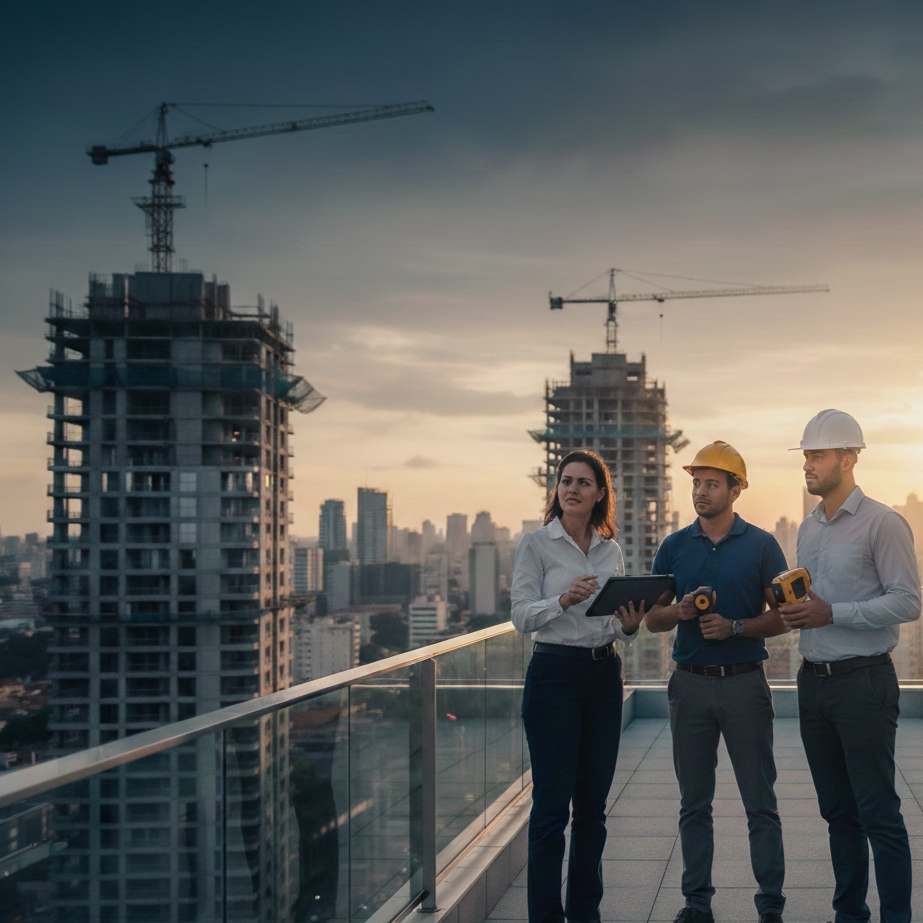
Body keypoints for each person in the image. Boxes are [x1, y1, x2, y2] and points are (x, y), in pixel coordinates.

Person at [778, 409, 921, 923]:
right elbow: (817, 600)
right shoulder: (810, 529)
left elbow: (908, 602)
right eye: (806, 457)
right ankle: (849, 915)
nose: (808, 466)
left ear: (848, 457)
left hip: (863, 683)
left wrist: (830, 612)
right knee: (838, 814)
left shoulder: (883, 522)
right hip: (814, 684)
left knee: (878, 813)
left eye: (816, 456)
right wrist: (798, 611)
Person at [644, 441, 788, 923]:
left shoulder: (763, 544)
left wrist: (737, 627)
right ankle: (696, 903)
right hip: (689, 684)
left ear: (736, 489)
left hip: (745, 684)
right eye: (696, 483)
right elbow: (651, 620)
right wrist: (678, 610)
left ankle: (770, 905)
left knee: (760, 802)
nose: (700, 492)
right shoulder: (674, 545)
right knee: (693, 804)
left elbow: (783, 615)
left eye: (711, 484)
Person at [511, 450, 643, 923]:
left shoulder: (611, 550)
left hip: (603, 676)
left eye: (584, 483)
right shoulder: (536, 544)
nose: (572, 489)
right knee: (550, 810)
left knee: (592, 810)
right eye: (566, 481)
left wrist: (628, 625)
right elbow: (521, 616)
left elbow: (612, 625)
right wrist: (563, 598)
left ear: (600, 493)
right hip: (553, 677)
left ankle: (585, 914)